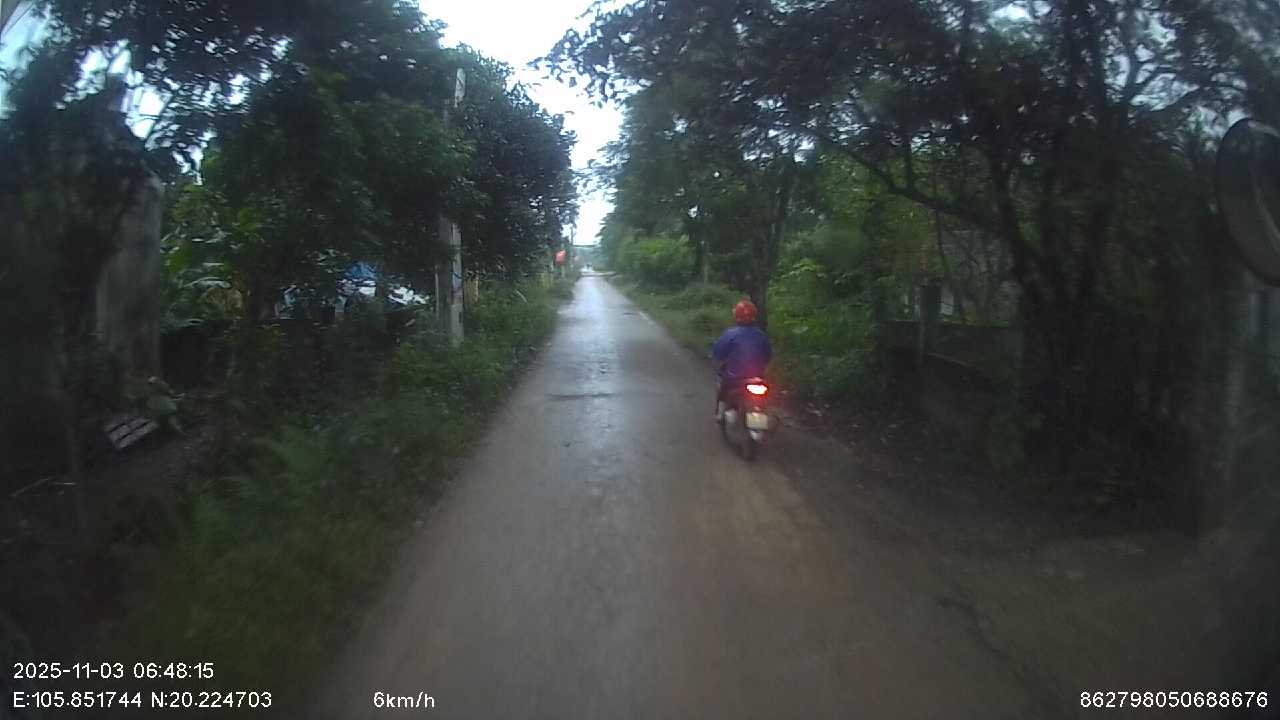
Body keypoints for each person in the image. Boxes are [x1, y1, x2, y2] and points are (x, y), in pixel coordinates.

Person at [711, 299, 772, 422]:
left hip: (734, 377)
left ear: (736, 316)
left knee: (722, 385)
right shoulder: (761, 335)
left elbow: (718, 354)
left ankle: (720, 413)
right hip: (757, 378)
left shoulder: (730, 334)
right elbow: (768, 356)